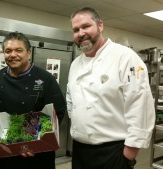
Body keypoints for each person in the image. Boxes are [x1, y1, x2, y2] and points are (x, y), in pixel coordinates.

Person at [66, 7, 155, 169]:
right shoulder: (75, 64)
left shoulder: (125, 58)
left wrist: (129, 155)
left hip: (113, 151)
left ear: (100, 26)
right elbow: (70, 100)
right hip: (80, 149)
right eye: (76, 30)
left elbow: (140, 106)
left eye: (86, 26)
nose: (80, 33)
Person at [0, 32, 67, 169]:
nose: (13, 54)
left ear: (29, 53)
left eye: (18, 50)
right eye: (8, 51)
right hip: (5, 152)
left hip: (37, 153)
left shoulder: (45, 79)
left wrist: (32, 142)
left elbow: (58, 111)